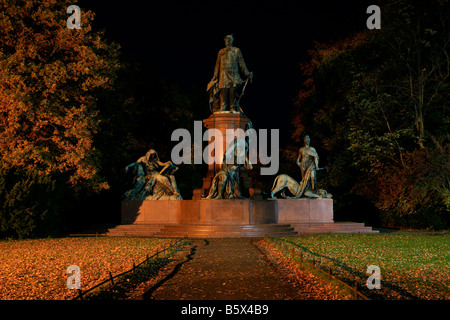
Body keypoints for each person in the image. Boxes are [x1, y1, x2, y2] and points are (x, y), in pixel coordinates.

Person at [208, 34, 253, 113]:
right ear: (224, 41)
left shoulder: (236, 50)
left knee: (232, 91)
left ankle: (232, 107)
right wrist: (215, 75)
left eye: (229, 39)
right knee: (223, 90)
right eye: (226, 39)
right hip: (223, 74)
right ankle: (223, 107)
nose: (228, 41)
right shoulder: (221, 51)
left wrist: (247, 73)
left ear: (232, 41)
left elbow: (242, 63)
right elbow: (217, 64)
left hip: (233, 74)